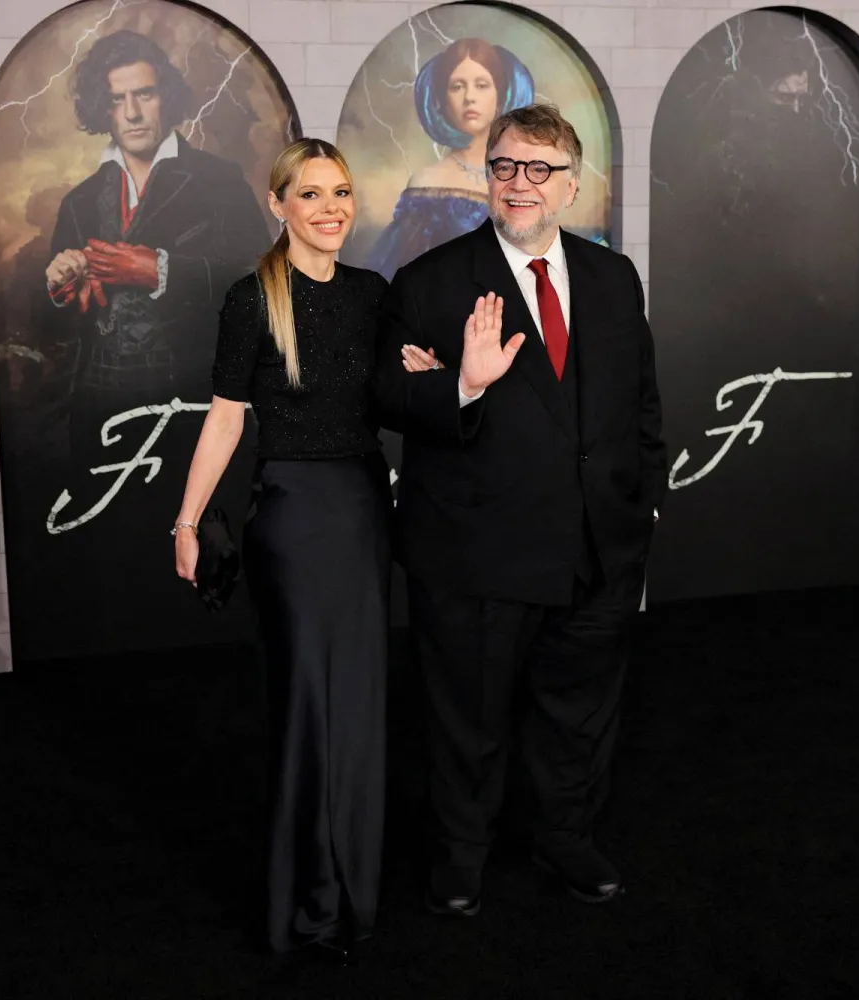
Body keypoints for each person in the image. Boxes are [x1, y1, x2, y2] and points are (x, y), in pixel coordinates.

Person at [373, 104, 668, 917]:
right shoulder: (430, 281)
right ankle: (462, 854)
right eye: (505, 166)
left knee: (578, 713)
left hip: (597, 552)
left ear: (571, 186)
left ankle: (564, 834)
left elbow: (641, 405)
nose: (520, 184)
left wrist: (641, 512)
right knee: (469, 718)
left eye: (540, 169)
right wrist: (462, 382)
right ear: (487, 177)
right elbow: (389, 395)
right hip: (477, 554)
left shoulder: (614, 278)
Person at [171, 138, 436, 960]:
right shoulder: (252, 299)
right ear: (278, 204)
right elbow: (223, 416)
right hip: (288, 516)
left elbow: (392, 396)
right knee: (309, 705)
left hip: (361, 507)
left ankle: (351, 894)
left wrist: (429, 375)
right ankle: (307, 904)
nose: (331, 210)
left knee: (359, 703)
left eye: (343, 194)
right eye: (312, 194)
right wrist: (186, 521)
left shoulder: (372, 293)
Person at [42, 29, 269, 466]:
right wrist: (59, 287)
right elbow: (58, 327)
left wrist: (164, 271)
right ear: (101, 108)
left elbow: (262, 280)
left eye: (144, 94)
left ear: (166, 96)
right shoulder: (80, 201)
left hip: (196, 404)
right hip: (100, 408)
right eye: (115, 99)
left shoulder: (219, 180)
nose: (131, 113)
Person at [360, 37, 534, 282]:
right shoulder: (428, 181)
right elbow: (406, 275)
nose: (469, 97)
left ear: (500, 96)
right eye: (457, 86)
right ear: (442, 101)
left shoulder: (527, 178)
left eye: (482, 85)